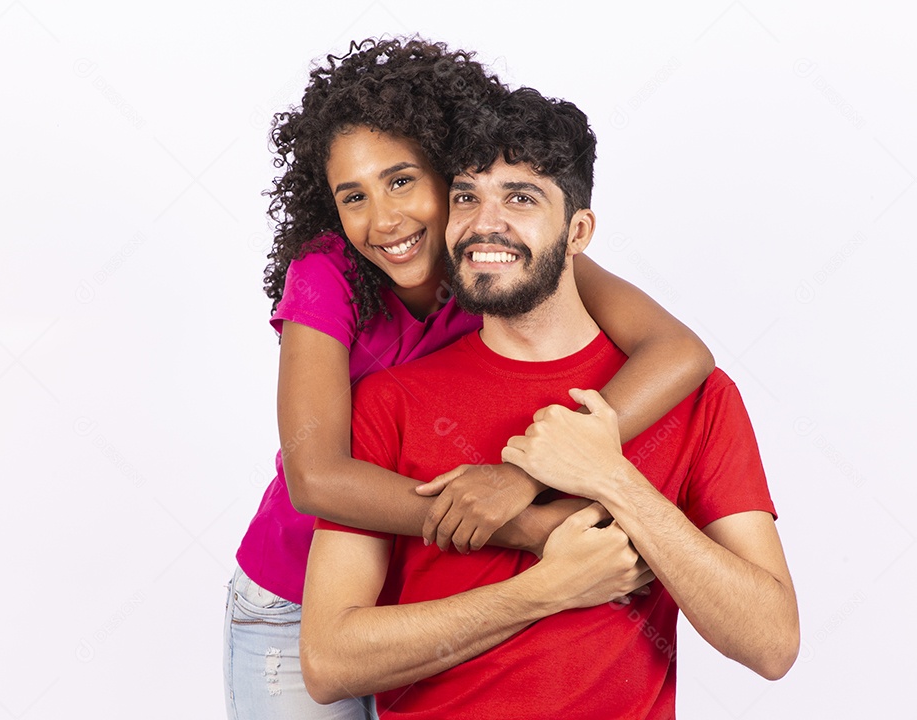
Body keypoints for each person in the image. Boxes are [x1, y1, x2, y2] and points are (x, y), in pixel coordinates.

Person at [225, 38, 716, 719]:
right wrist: (525, 524)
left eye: (402, 181)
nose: (385, 219)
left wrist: (526, 474)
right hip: (296, 600)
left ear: (449, 175)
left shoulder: (492, 255)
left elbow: (677, 351)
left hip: (425, 591)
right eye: (353, 196)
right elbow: (316, 478)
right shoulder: (326, 276)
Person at [300, 86, 799, 718]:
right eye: (465, 197)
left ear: (578, 231)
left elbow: (772, 645)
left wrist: (612, 479)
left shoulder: (695, 399)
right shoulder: (388, 401)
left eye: (520, 197)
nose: (485, 223)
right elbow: (327, 662)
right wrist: (544, 592)